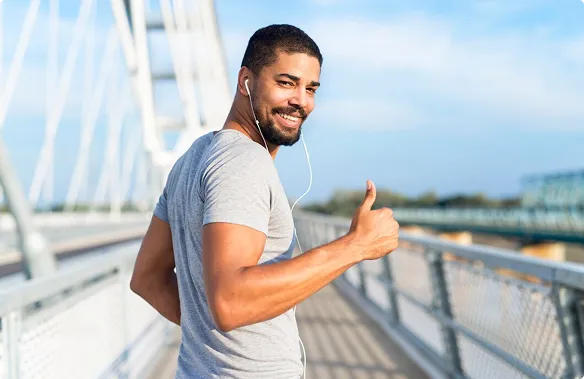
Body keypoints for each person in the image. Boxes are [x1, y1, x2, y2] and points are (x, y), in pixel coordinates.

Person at [129, 24, 400, 379]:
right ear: (246, 81)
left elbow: (146, 278)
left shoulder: (193, 157)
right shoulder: (244, 162)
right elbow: (230, 302)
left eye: (311, 88)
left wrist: (215, 341)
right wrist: (355, 246)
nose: (301, 101)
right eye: (286, 83)